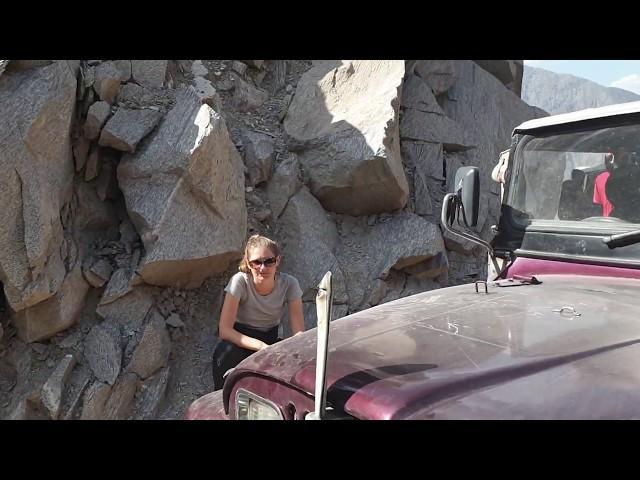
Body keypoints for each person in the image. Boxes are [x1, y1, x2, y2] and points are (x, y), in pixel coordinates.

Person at [211, 234, 305, 390]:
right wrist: (261, 347)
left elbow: (299, 333)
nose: (263, 268)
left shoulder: (290, 284)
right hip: (240, 339)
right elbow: (225, 330)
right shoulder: (240, 282)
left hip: (271, 336)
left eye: (269, 261)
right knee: (224, 354)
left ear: (278, 261)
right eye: (256, 262)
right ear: (248, 263)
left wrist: (291, 352)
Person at [593, 152, 615, 216]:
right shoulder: (629, 177)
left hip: (604, 222)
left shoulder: (599, 177)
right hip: (629, 221)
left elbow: (597, 202)